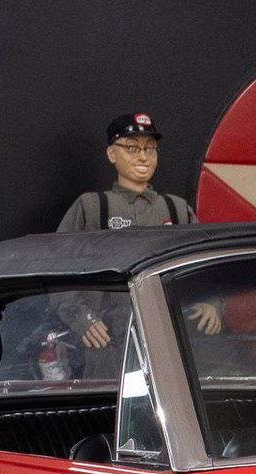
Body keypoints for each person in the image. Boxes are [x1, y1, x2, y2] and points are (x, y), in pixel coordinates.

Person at [56, 112, 220, 356]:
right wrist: (82, 318)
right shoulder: (93, 207)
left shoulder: (176, 209)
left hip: (171, 339)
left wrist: (211, 303)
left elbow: (203, 266)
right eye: (132, 147)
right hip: (108, 343)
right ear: (112, 154)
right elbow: (58, 265)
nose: (143, 156)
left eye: (150, 148)